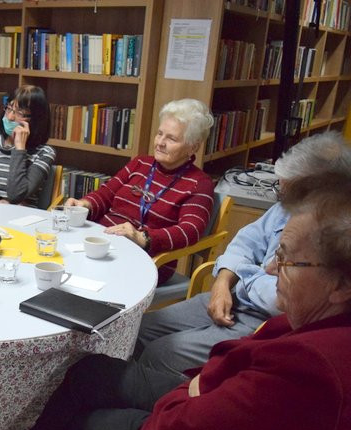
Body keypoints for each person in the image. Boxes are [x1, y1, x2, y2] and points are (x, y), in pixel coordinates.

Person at [0, 178, 351, 430]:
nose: (271, 268)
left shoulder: (311, 368)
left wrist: (193, 389)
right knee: (94, 372)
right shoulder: (326, 331)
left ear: (341, 286)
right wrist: (197, 387)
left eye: (287, 260)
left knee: (91, 424)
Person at [134, 131, 351, 377]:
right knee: (139, 328)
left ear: (326, 191)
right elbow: (245, 241)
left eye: (290, 193)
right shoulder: (289, 205)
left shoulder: (336, 232)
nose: (282, 200)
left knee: (161, 354)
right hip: (232, 295)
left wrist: (241, 274)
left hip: (266, 320)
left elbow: (274, 301)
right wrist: (223, 282)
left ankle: (156, 408)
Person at [65, 98, 215, 283]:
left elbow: (190, 230)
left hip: (145, 257)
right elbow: (105, 194)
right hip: (101, 240)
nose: (160, 142)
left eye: (171, 138)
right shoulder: (140, 163)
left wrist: (142, 237)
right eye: (159, 134)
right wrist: (84, 204)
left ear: (193, 146)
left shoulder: (199, 183)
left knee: (78, 276)